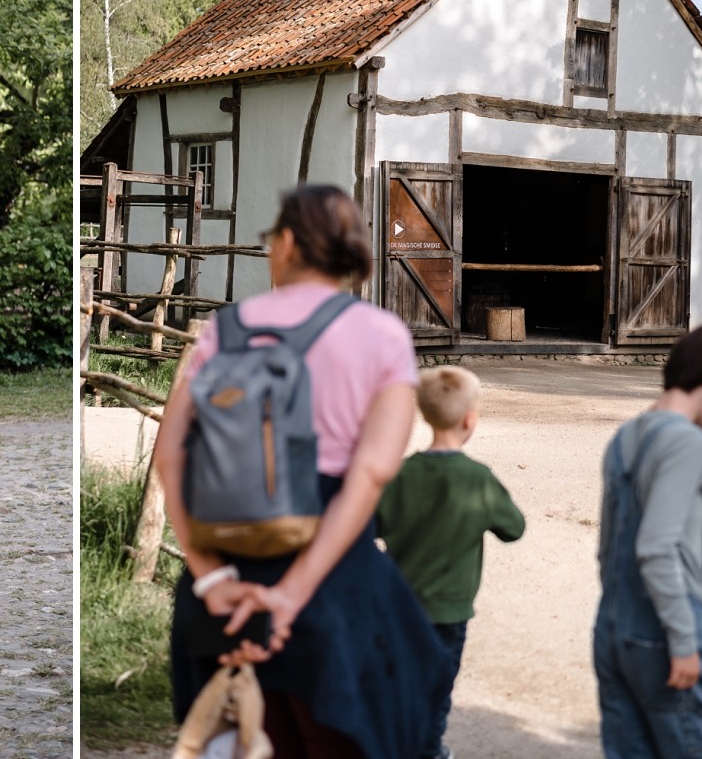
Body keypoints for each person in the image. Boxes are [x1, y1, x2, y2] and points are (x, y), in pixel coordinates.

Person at [153, 184, 451, 759]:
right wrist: (291, 595)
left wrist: (211, 577)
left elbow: (170, 456)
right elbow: (370, 474)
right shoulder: (382, 334)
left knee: (237, 736)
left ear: (286, 243)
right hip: (334, 577)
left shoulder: (226, 328)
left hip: (224, 569)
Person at [592, 324, 702, 759]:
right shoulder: (684, 439)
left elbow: (608, 549)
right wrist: (683, 640)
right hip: (665, 634)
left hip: (613, 630)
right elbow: (657, 546)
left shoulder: (626, 436)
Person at [376, 366, 526, 759]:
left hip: (398, 608)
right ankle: (428, 752)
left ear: (425, 415)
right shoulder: (478, 479)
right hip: (448, 612)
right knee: (437, 690)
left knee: (398, 687)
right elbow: (514, 528)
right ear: (470, 419)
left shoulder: (401, 475)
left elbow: (368, 526)